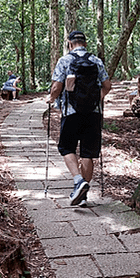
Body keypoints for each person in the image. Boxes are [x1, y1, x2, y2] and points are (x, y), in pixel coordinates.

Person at [48, 30, 112, 206]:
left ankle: (78, 181)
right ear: (85, 43)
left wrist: (51, 99)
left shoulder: (65, 60)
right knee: (87, 153)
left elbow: (57, 87)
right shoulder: (96, 61)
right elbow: (107, 85)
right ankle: (82, 195)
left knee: (66, 148)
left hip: (71, 112)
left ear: (70, 44)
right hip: (93, 113)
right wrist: (95, 99)